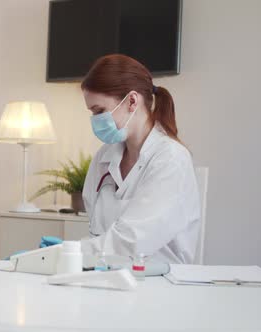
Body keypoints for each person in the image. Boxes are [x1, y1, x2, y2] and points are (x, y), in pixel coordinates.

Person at [80, 54, 201, 264]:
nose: (95, 121)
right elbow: (98, 235)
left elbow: (131, 241)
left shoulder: (171, 159)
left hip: (161, 285)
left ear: (132, 101)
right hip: (108, 277)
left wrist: (68, 253)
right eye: (92, 113)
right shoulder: (104, 158)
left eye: (100, 111)